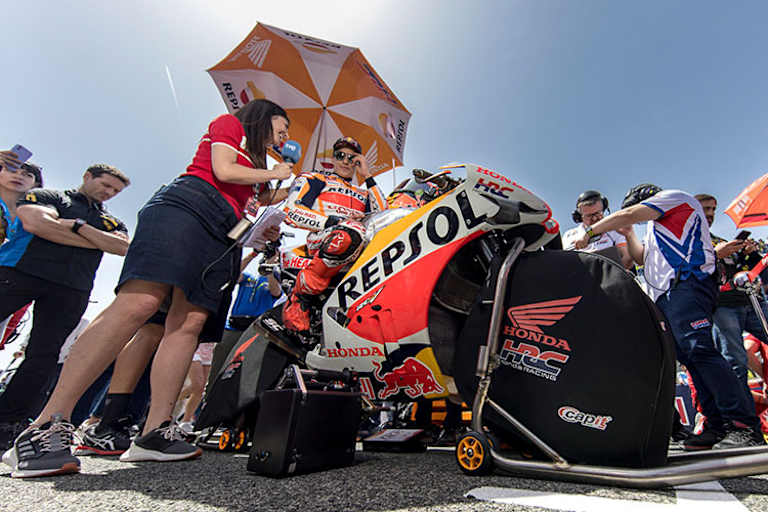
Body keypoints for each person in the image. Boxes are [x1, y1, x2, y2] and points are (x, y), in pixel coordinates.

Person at [5, 99, 292, 478]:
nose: (284, 138)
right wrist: (275, 170)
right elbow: (222, 169)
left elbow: (252, 198)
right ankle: (47, 423)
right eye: (282, 129)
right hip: (187, 205)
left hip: (224, 230)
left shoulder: (259, 167)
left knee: (189, 323)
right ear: (262, 118)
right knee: (140, 303)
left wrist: (284, 189)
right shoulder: (230, 126)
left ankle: (155, 431)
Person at [574, 184, 764, 450]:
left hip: (686, 286)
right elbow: (641, 258)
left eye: (633, 206)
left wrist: (592, 231)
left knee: (701, 351)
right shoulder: (657, 229)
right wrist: (629, 234)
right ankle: (717, 425)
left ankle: (742, 424)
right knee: (690, 358)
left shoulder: (674, 198)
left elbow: (629, 214)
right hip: (669, 296)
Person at [0, 163, 129, 452]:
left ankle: (9, 419)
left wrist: (75, 226)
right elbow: (36, 224)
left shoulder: (110, 220)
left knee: (44, 355)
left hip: (72, 287)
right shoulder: (50, 196)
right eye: (105, 185)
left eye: (115, 191)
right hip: (20, 271)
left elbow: (121, 247)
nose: (109, 193)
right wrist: (93, 240)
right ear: (87, 176)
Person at [281, 136, 387, 333]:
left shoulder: (364, 192)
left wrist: (368, 176)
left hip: (359, 244)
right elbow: (291, 212)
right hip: (324, 238)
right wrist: (334, 221)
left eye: (352, 158)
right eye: (341, 156)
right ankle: (300, 297)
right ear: (333, 159)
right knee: (351, 233)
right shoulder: (316, 179)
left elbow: (384, 215)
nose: (346, 161)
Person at [696, 194, 768, 397]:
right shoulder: (688, 243)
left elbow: (743, 271)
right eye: (705, 209)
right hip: (722, 307)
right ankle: (744, 420)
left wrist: (749, 254)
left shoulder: (722, 240)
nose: (709, 214)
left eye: (712, 209)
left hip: (750, 301)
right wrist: (716, 254)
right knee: (736, 362)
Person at [562, 189, 633, 269]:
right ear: (579, 217)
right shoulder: (569, 235)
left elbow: (627, 260)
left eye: (598, 213)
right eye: (589, 216)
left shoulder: (616, 230)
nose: (595, 218)